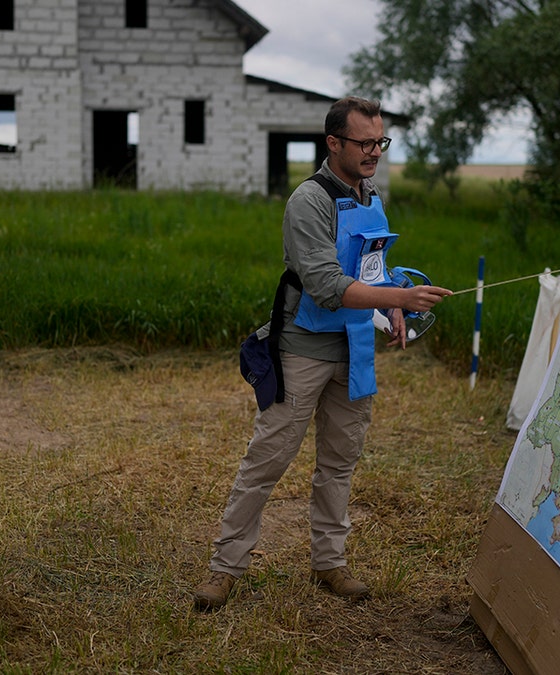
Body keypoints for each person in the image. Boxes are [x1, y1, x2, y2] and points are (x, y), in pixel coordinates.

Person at [193, 97, 452, 610]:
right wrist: (399, 298)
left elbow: (372, 271)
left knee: (339, 463)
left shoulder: (371, 194)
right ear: (333, 143)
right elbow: (328, 285)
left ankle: (329, 564)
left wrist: (394, 305)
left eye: (381, 142)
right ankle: (224, 569)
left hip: (354, 350)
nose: (375, 152)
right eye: (365, 143)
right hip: (303, 353)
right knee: (266, 462)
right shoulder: (306, 202)